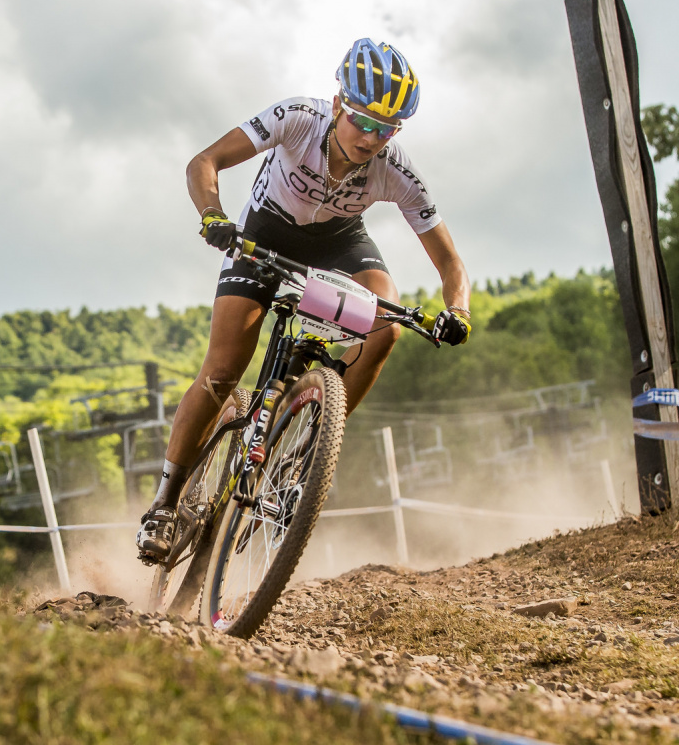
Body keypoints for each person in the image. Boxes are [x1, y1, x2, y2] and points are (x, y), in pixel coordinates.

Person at [137, 38, 473, 563]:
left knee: (385, 323)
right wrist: (212, 215)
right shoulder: (296, 118)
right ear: (339, 104)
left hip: (339, 242)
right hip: (264, 233)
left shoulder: (397, 170)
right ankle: (165, 500)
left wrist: (458, 311)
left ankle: (308, 445)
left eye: (387, 129)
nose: (371, 138)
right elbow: (205, 161)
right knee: (223, 370)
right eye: (363, 121)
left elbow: (451, 263)